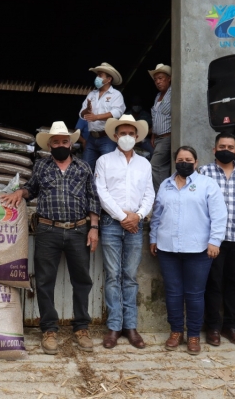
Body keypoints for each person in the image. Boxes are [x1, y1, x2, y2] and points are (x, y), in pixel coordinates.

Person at [0, 121, 100, 355]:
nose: (60, 145)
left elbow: (93, 198)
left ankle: (82, 328)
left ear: (70, 143)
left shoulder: (83, 167)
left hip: (78, 230)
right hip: (47, 230)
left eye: (64, 141)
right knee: (45, 282)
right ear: (49, 145)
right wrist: (19, 192)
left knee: (82, 280)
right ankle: (49, 330)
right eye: (56, 142)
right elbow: (31, 189)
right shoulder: (42, 167)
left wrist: (93, 227)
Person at [149, 146, 227, 355]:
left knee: (194, 294)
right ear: (175, 161)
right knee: (173, 293)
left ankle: (193, 335)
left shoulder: (207, 185)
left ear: (196, 162)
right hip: (168, 248)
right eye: (180, 159)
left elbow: (219, 216)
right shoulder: (166, 185)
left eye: (188, 159)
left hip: (199, 249)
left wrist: (214, 242)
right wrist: (153, 238)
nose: (184, 162)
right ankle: (176, 331)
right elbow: (157, 215)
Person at [95, 115, 155, 349]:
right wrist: (123, 217)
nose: (127, 137)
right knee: (113, 275)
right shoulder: (104, 161)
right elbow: (102, 192)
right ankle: (114, 327)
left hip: (135, 225)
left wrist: (137, 216)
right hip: (111, 223)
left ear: (137, 137)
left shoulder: (145, 164)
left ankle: (130, 327)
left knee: (129, 277)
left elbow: (149, 194)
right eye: (123, 133)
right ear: (115, 136)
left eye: (131, 133)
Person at [200, 132, 235, 347]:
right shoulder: (203, 173)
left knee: (234, 283)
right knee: (213, 284)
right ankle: (213, 327)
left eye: (230, 147)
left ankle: (231, 326)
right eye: (222, 146)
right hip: (211, 241)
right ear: (214, 150)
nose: (226, 149)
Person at [79, 62, 126, 170]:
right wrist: (86, 110)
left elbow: (117, 112)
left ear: (109, 79)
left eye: (100, 75)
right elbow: (82, 114)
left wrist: (96, 117)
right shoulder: (92, 94)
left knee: (107, 168)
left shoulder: (116, 95)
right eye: (97, 75)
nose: (97, 78)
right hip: (91, 137)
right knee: (86, 168)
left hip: (107, 138)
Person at [148, 63, 172, 193]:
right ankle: (163, 195)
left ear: (169, 78)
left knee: (156, 166)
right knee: (162, 168)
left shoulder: (173, 93)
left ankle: (162, 195)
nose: (157, 81)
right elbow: (156, 118)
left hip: (167, 137)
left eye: (161, 78)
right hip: (158, 138)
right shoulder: (158, 96)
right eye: (156, 79)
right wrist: (153, 135)